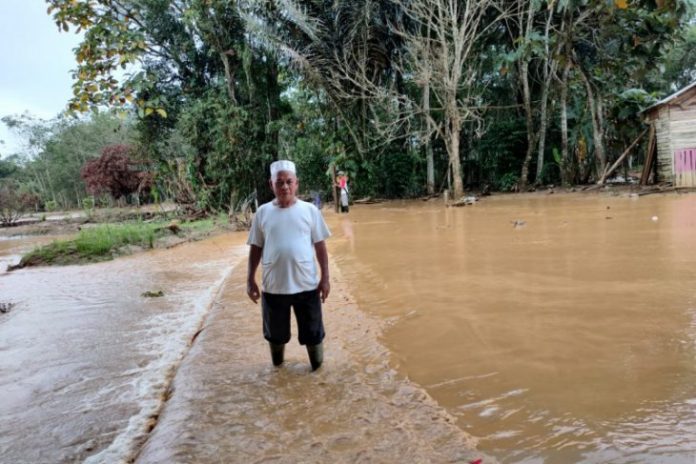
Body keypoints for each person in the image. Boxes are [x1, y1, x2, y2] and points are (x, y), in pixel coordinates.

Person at [246, 160, 331, 371]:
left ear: (296, 184)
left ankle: (318, 374)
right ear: (271, 185)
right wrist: (250, 280)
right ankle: (278, 371)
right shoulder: (262, 213)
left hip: (307, 286)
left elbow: (320, 247)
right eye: (279, 182)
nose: (284, 187)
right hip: (274, 288)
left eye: (289, 182)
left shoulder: (310, 211)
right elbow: (256, 247)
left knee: (314, 335)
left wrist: (325, 278)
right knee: (275, 336)